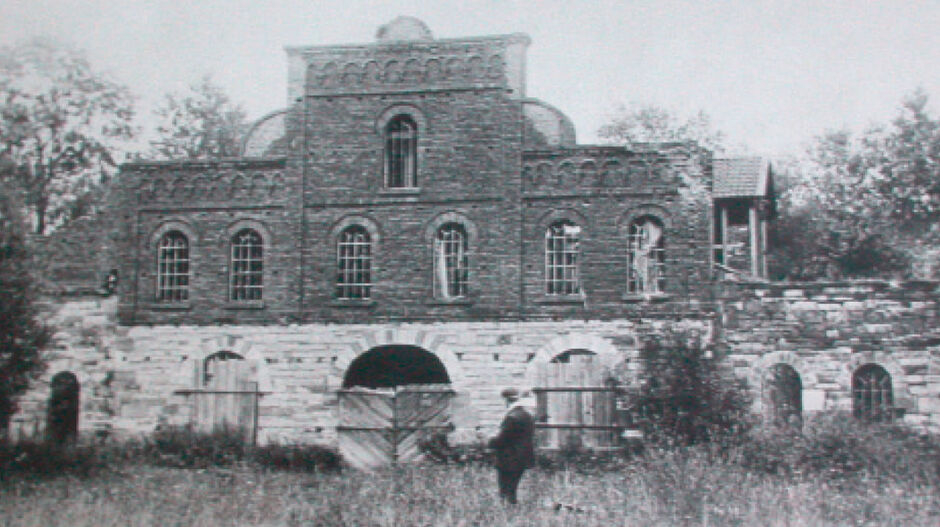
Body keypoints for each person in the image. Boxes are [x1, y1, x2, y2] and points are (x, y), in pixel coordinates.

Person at [488, 387, 536, 504]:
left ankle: (507, 513)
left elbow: (502, 440)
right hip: (523, 458)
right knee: (512, 489)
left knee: (505, 490)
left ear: (507, 401)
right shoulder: (527, 415)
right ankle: (512, 510)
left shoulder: (511, 417)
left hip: (508, 458)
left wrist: (489, 441)